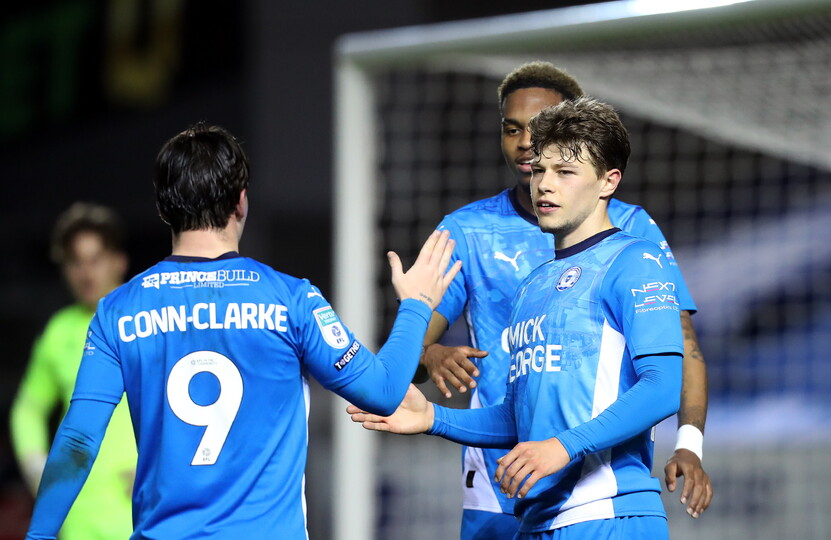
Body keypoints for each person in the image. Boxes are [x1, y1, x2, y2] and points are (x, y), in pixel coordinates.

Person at [24, 123, 460, 539]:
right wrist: (416, 306)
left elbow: (79, 438)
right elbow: (383, 392)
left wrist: (40, 534)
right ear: (241, 202)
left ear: (162, 209)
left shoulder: (117, 311)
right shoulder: (292, 299)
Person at [354, 96, 684, 538]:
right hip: (538, 521)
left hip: (607, 515)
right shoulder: (533, 285)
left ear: (608, 181)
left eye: (565, 172)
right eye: (541, 170)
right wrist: (433, 417)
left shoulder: (635, 260)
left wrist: (563, 447)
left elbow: (663, 386)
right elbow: (518, 416)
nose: (545, 184)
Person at [10, 203, 138, 540]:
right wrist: (37, 469)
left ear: (119, 261)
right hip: (78, 517)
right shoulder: (59, 332)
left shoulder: (145, 322)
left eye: (96, 259)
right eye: (75, 262)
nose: (85, 272)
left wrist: (162, 466)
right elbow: (28, 408)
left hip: (140, 511)